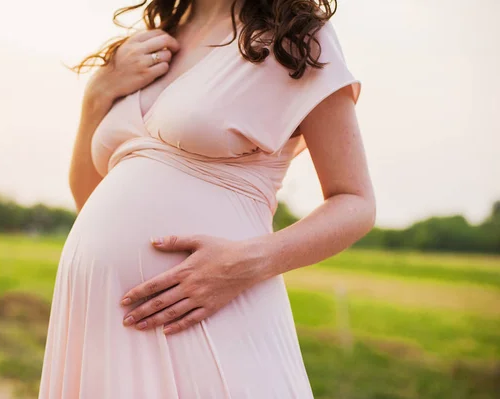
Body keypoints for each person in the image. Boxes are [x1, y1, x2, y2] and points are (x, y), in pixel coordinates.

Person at [38, 0, 375, 397]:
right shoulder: (149, 45)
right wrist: (97, 94)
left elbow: (355, 202)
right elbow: (87, 199)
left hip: (209, 314)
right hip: (103, 320)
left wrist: (246, 264)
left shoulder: (295, 37)